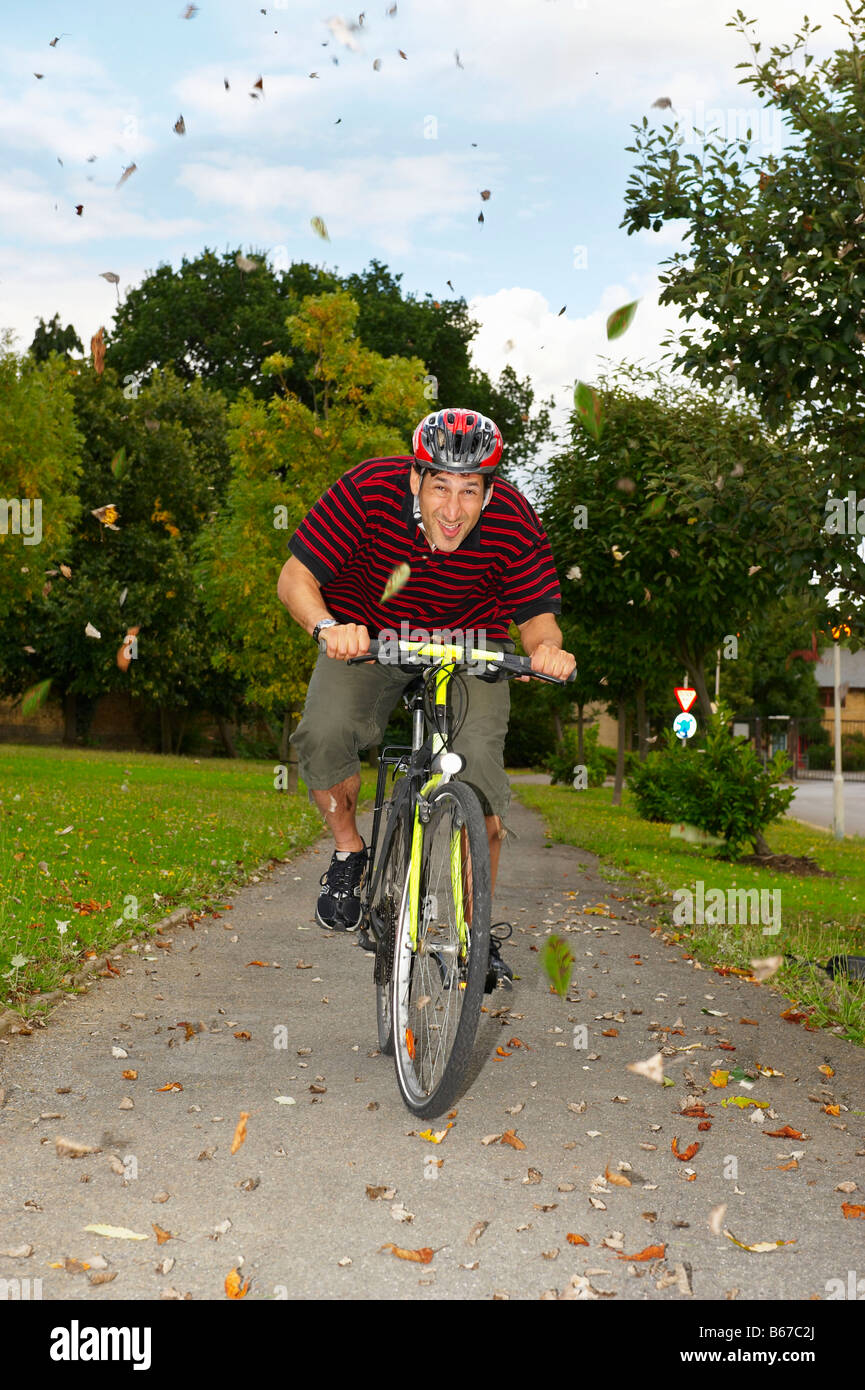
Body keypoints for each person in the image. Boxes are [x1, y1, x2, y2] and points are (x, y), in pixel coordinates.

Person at [276, 407, 576, 987]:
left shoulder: (513, 519)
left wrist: (547, 651)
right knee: (324, 732)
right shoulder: (366, 490)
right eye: (440, 486)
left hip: (471, 646)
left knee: (482, 783)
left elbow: (538, 616)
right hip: (367, 636)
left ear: (490, 490)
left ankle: (474, 926)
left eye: (470, 491)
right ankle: (348, 854)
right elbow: (296, 577)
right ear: (416, 478)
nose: (453, 509)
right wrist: (325, 627)